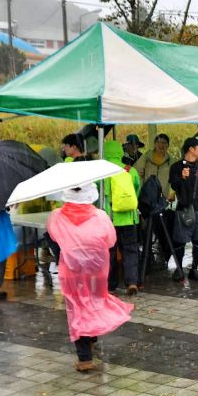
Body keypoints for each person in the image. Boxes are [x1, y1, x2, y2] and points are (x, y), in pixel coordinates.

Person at [47, 184, 134, 372]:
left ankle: (84, 357)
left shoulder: (57, 216)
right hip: (96, 267)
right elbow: (111, 240)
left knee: (77, 307)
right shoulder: (100, 216)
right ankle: (91, 336)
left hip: (72, 269)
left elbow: (53, 238)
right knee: (94, 300)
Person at [169, 136, 198, 281]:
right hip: (184, 209)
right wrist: (182, 178)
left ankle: (194, 269)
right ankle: (178, 269)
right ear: (191, 149)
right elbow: (174, 186)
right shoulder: (176, 167)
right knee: (180, 241)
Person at [103, 142, 142, 295]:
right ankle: (132, 282)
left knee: (110, 252)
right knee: (130, 250)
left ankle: (111, 284)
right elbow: (136, 191)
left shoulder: (102, 173)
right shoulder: (130, 170)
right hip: (129, 218)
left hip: (109, 220)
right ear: (120, 152)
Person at [135, 133, 174, 267]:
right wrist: (141, 189)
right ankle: (147, 258)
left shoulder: (171, 160)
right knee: (147, 230)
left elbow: (174, 179)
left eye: (164, 143)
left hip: (162, 201)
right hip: (147, 200)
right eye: (159, 142)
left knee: (163, 230)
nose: (161, 145)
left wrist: (171, 193)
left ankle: (166, 256)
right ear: (154, 144)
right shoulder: (146, 157)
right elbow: (136, 172)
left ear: (168, 146)